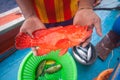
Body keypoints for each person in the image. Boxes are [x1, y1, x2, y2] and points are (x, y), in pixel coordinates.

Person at [16, 0, 102, 55]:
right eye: (81, 30)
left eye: (80, 30)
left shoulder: (73, 29)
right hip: (40, 18)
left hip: (72, 13)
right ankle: (31, 41)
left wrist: (85, 6)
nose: (84, 29)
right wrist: (30, 16)